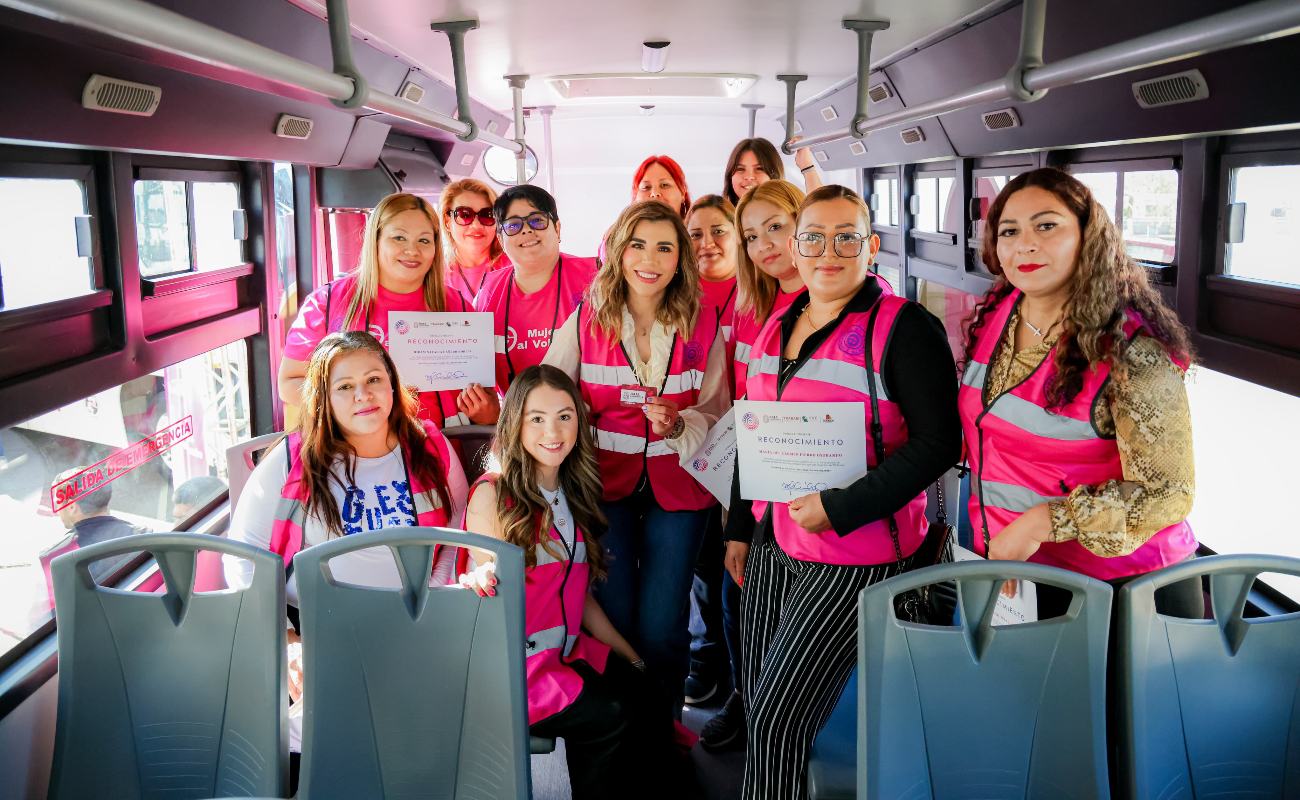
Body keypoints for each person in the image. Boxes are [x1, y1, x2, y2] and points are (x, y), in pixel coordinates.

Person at [723, 186, 961, 799]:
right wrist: (738, 529)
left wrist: (842, 507)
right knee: (759, 704)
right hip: (775, 544)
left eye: (846, 237)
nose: (829, 252)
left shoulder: (906, 328)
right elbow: (754, 429)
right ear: (794, 250)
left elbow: (939, 445)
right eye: (814, 238)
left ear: (871, 246)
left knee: (780, 717)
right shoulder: (778, 321)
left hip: (855, 559)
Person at [960, 167, 1198, 606]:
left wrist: (1040, 523)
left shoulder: (1132, 352)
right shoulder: (1000, 310)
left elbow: (1169, 494)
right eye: (1009, 231)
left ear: (1088, 237)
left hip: (1122, 587)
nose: (1025, 244)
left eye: (1046, 225)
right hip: (1016, 566)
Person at [226, 331, 468, 753]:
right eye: (344, 387)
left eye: (374, 379)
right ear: (324, 397)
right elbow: (243, 559)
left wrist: (435, 602)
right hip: (316, 629)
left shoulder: (430, 446)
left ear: (392, 383)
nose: (364, 395)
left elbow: (456, 536)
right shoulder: (290, 461)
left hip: (411, 621)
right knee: (332, 734)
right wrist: (286, 641)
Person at [459, 365, 681, 800]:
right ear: (514, 423)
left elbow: (580, 598)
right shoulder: (493, 494)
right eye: (536, 418)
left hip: (564, 654)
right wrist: (478, 576)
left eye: (564, 416)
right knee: (614, 717)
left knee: (651, 694)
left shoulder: (572, 492)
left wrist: (633, 660)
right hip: (514, 672)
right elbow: (477, 581)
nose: (553, 430)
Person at [543, 200, 730, 714]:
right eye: (638, 245)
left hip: (680, 490)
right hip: (606, 489)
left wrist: (678, 424)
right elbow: (550, 395)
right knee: (615, 615)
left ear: (680, 260)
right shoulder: (586, 317)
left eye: (665, 247)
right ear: (619, 252)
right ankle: (620, 728)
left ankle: (665, 726)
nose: (650, 258)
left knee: (663, 623)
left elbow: (718, 410)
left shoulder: (704, 320)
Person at [278, 193, 476, 430]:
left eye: (424, 240)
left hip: (439, 447)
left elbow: (479, 392)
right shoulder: (326, 304)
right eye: (399, 238)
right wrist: (353, 412)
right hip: (354, 450)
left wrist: (485, 411)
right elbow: (290, 383)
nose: (412, 250)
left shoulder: (457, 306)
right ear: (376, 241)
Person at [470, 185, 598, 425]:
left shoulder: (595, 279)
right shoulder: (488, 293)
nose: (526, 230)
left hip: (586, 429)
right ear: (500, 238)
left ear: (557, 229)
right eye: (513, 225)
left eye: (537, 221)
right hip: (517, 429)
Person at [682, 194, 739, 707]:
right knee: (703, 567)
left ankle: (745, 684)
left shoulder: (760, 290)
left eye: (718, 230)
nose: (707, 243)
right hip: (699, 450)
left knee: (738, 573)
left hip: (758, 448)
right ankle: (706, 659)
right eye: (695, 232)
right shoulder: (676, 295)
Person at [43, 469, 152, 582]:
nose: (57, 512)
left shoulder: (55, 559)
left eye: (58, 504)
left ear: (71, 507)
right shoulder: (143, 535)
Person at [439, 178, 510, 306]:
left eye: (487, 215)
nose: (476, 225)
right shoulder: (436, 276)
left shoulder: (515, 268)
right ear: (447, 221)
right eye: (465, 215)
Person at [721, 137, 824, 206]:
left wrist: (806, 166)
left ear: (773, 175)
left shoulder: (787, 212)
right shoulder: (723, 217)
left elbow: (821, 211)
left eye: (759, 169)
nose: (749, 176)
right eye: (740, 169)